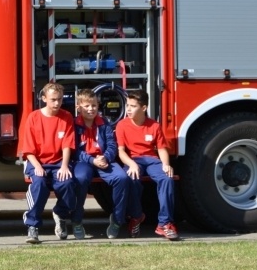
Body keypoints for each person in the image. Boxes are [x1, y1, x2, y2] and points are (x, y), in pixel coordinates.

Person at [115, 90, 179, 241]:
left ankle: (165, 223)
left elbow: (162, 149)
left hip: (152, 160)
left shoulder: (154, 126)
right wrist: (131, 164)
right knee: (131, 178)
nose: (128, 109)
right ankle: (136, 217)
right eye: (127, 105)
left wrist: (166, 164)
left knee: (167, 179)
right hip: (133, 160)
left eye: (132, 106)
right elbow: (121, 152)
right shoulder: (122, 125)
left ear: (143, 108)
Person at [18, 82, 76, 244]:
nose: (57, 103)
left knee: (68, 184)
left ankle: (61, 214)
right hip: (37, 162)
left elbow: (67, 145)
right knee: (39, 185)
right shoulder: (34, 117)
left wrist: (64, 165)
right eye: (53, 100)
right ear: (44, 99)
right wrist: (37, 167)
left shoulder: (66, 117)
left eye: (59, 99)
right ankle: (33, 226)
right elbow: (28, 150)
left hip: (59, 163)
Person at [72, 88, 131, 239]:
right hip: (84, 161)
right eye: (87, 106)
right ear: (78, 107)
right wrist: (92, 160)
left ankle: (117, 220)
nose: (91, 109)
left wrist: (106, 157)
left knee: (122, 178)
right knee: (80, 179)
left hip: (103, 160)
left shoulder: (104, 123)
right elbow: (73, 150)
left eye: (94, 106)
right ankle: (77, 221)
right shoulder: (73, 125)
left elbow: (112, 145)